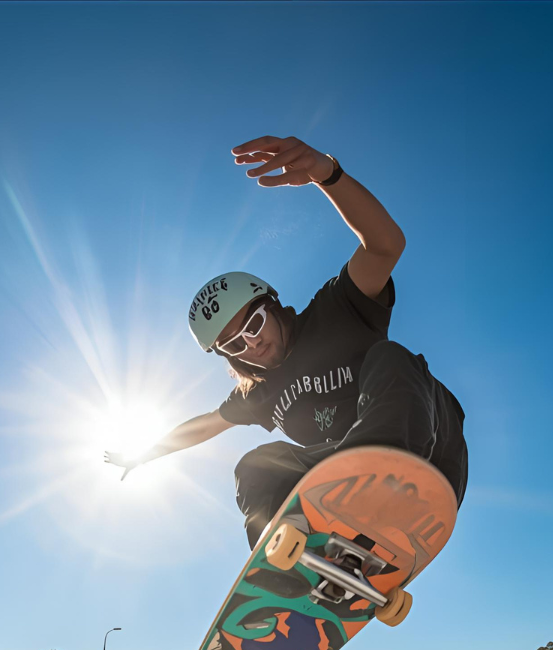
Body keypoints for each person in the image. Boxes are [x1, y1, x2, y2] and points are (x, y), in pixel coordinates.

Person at [104, 135, 467, 548]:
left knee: (390, 357)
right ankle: (290, 561)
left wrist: (328, 175)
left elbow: (386, 246)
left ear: (273, 305)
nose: (252, 345)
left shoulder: (337, 310)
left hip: (431, 448)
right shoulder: (259, 392)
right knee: (255, 468)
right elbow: (204, 426)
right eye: (234, 346)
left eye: (254, 324)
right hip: (345, 484)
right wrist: (145, 453)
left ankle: (381, 474)